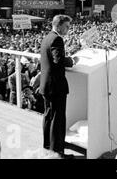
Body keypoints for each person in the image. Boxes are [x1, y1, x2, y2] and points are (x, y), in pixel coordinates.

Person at [39, 15, 78, 157]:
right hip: (55, 86)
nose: (68, 29)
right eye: (67, 26)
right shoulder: (57, 39)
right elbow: (58, 60)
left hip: (47, 85)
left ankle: (48, 147)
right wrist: (72, 60)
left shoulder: (47, 37)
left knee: (49, 117)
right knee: (57, 119)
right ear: (59, 25)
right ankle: (57, 152)